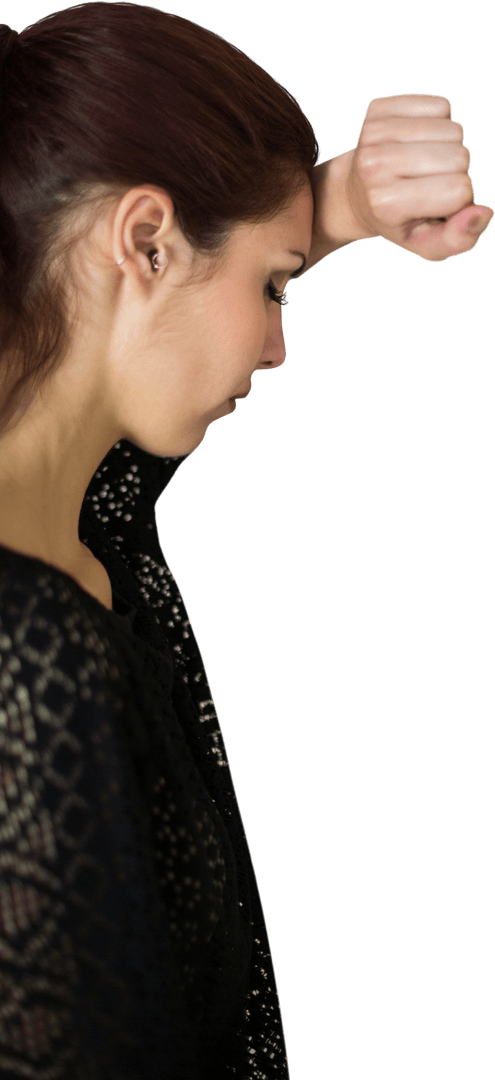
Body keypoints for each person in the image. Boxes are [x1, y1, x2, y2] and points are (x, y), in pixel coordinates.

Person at [0, 5, 492, 1080]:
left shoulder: (88, 519)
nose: (277, 348)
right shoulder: (34, 659)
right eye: (276, 287)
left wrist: (342, 204)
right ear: (145, 240)